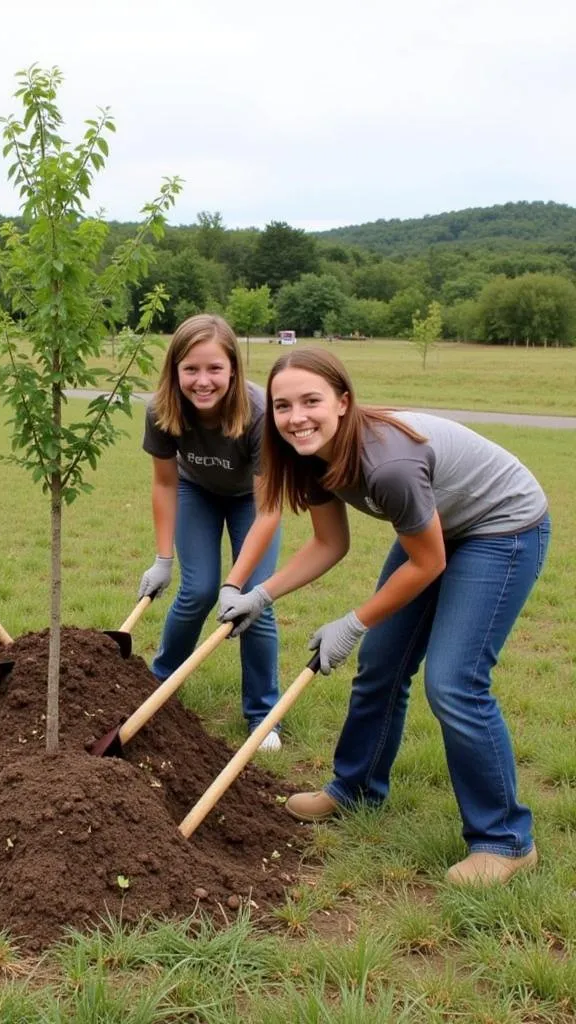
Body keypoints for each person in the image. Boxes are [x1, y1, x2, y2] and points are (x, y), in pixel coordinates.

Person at [221, 347, 550, 886]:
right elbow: (330, 543)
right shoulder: (307, 457)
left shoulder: (388, 463)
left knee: (454, 683)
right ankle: (355, 789)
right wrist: (261, 595)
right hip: (438, 530)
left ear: (344, 402)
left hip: (502, 527)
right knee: (380, 665)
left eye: (311, 401)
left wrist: (352, 622)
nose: (296, 417)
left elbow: (428, 562)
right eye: (283, 406)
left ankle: (507, 840)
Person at [137, 314, 283, 749]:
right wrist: (164, 560)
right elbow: (164, 483)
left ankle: (262, 714)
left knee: (255, 600)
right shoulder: (161, 410)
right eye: (191, 369)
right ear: (175, 370)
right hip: (194, 491)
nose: (203, 381)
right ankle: (160, 686)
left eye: (214, 368)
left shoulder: (259, 412)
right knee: (196, 590)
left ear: (233, 369)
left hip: (252, 503)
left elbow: (270, 506)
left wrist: (235, 583)